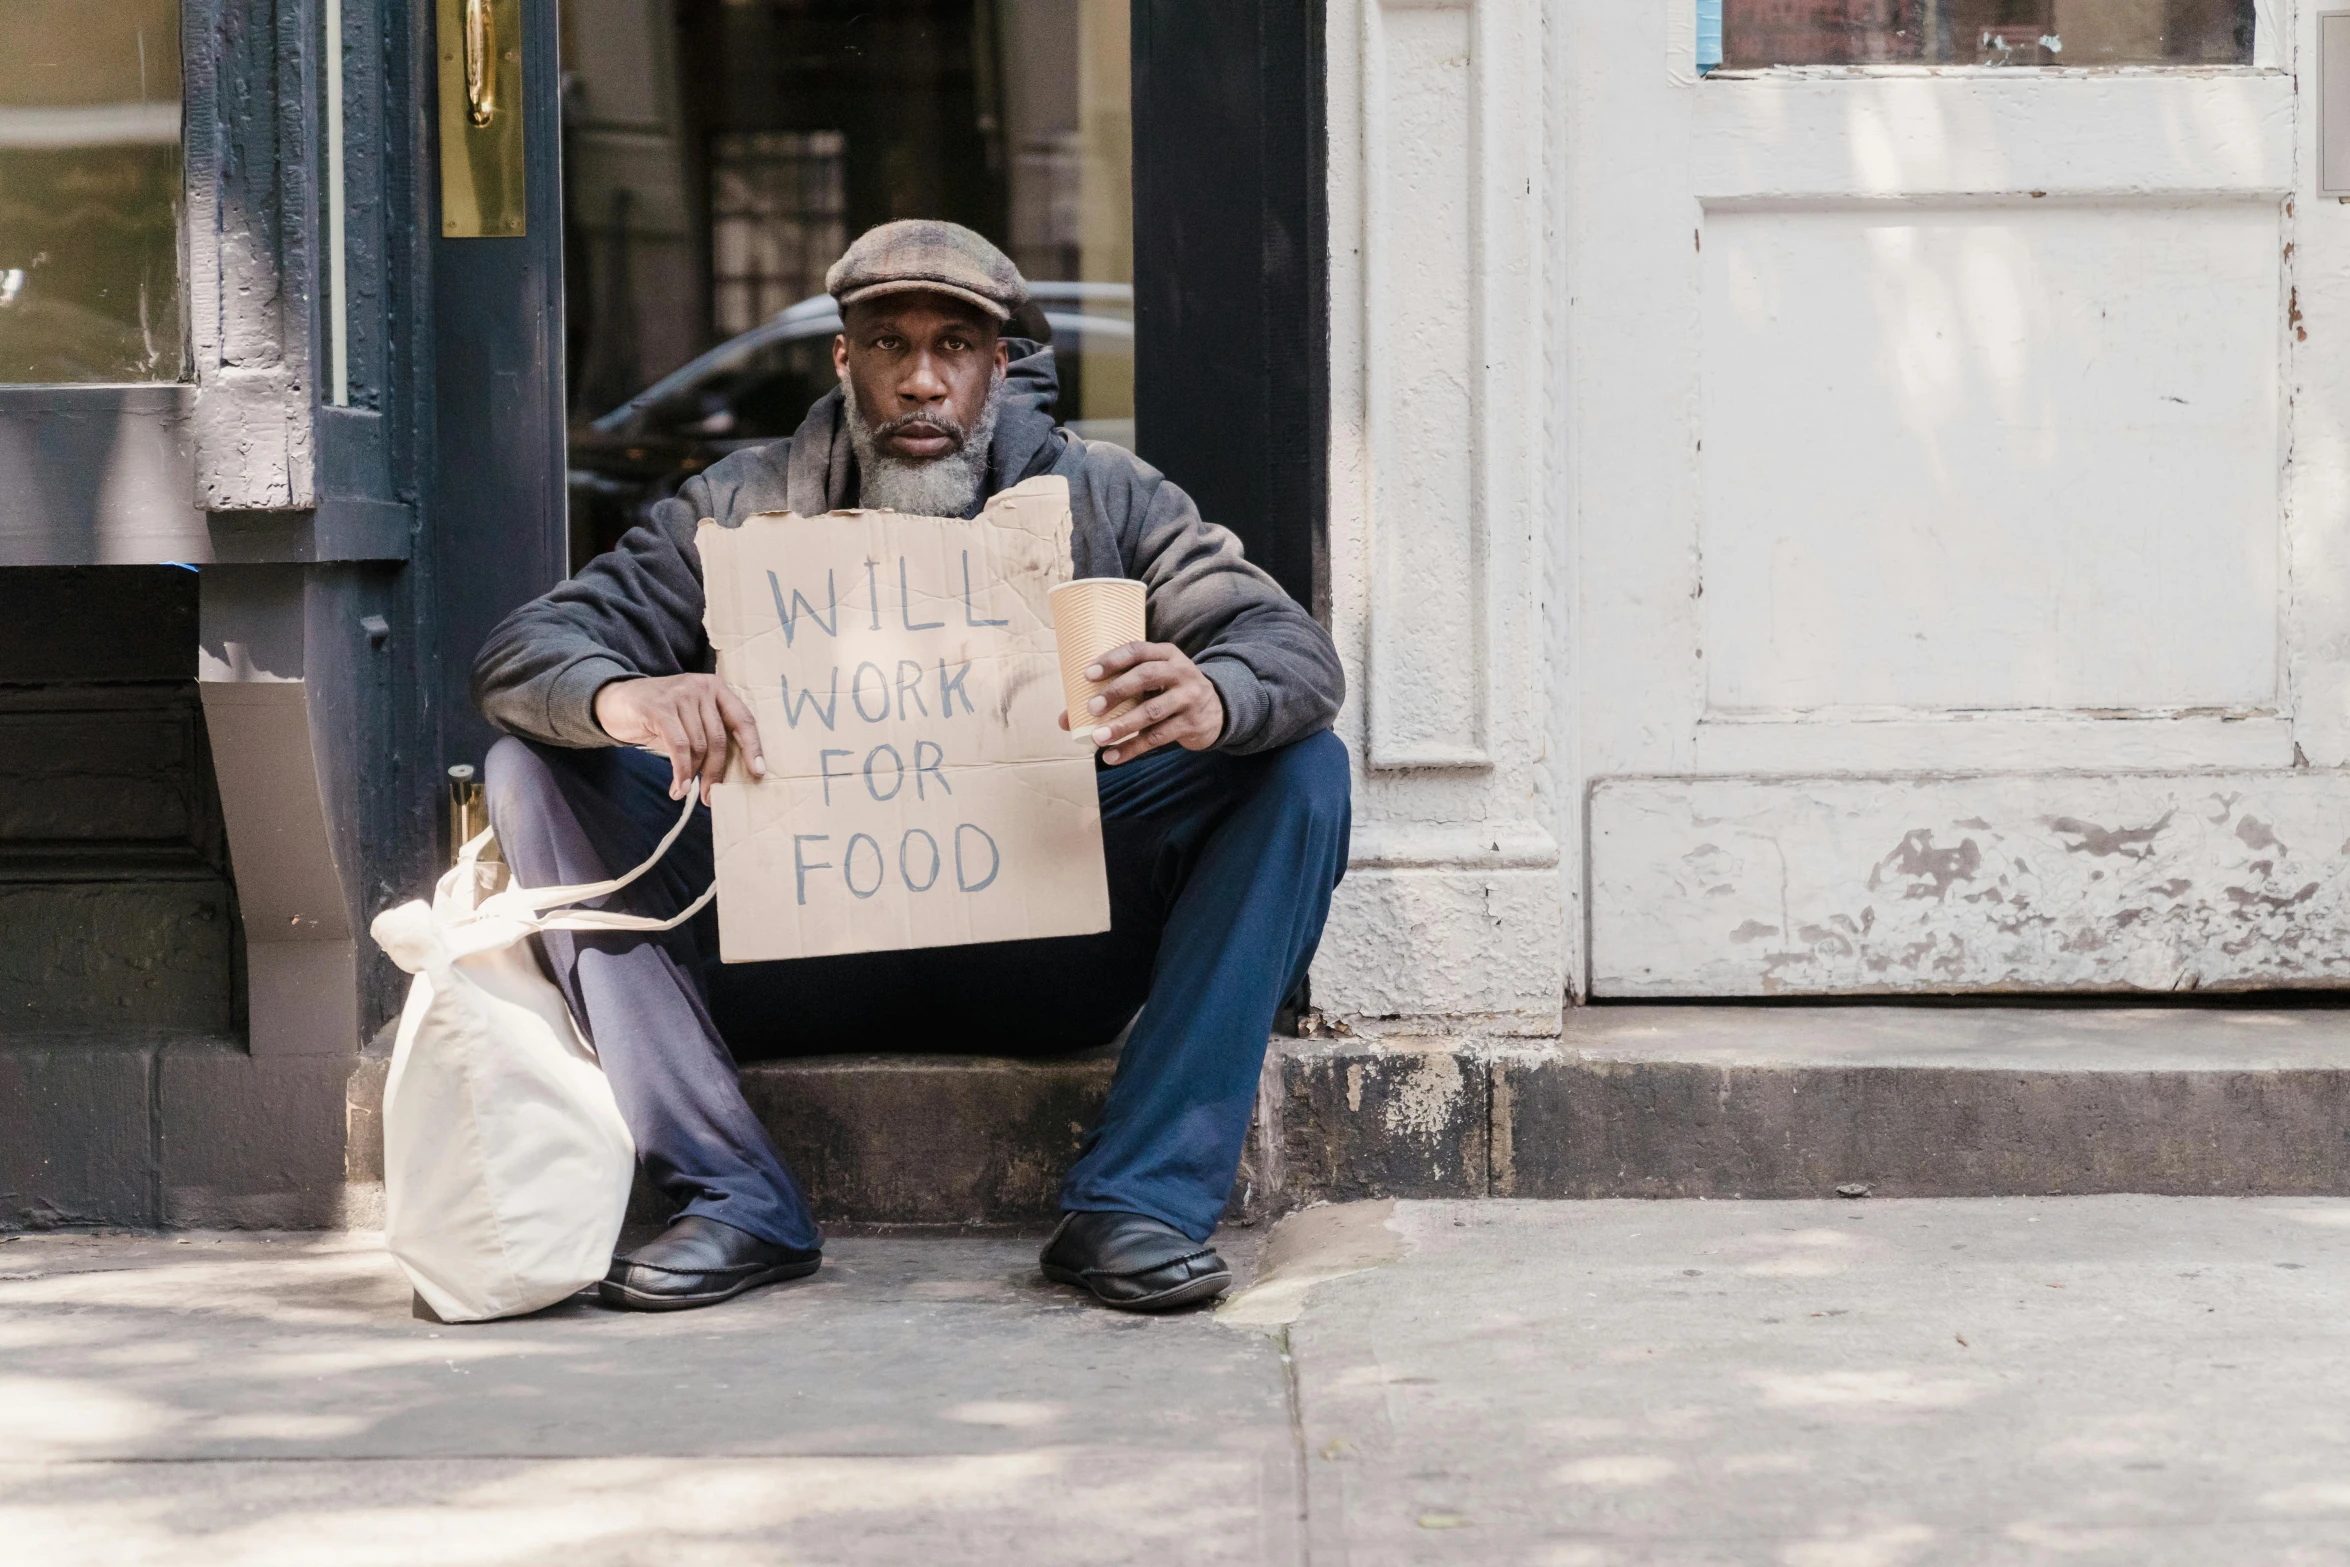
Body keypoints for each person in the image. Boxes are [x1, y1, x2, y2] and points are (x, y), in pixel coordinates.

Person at [472, 220, 1348, 1313]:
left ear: (999, 364)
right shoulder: (737, 504)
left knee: (1299, 766)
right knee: (535, 765)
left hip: (1042, 948)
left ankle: (1141, 1200)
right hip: (788, 957)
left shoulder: (1107, 496)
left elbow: (1293, 653)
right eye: (888, 345)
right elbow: (523, 654)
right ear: (844, 362)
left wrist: (1213, 697)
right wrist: (625, 697)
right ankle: (731, 1194)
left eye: (954, 346)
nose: (921, 380)